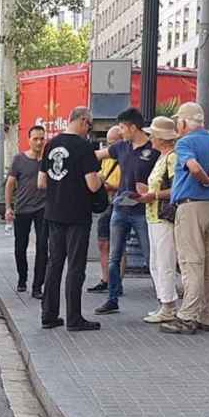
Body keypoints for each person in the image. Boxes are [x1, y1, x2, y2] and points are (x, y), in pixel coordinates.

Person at [161, 102, 209, 335]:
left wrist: (206, 180)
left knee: (191, 263)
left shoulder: (185, 143)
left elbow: (193, 167)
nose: (177, 125)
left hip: (191, 208)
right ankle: (208, 317)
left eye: (179, 121)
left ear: (184, 122)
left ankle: (187, 316)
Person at [38, 106, 103, 332]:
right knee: (75, 267)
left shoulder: (51, 144)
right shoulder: (84, 147)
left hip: (53, 213)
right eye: (90, 126)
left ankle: (49, 315)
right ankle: (74, 318)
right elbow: (92, 184)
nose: (89, 130)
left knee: (54, 264)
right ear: (84, 121)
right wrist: (102, 177)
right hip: (77, 214)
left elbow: (41, 182)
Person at [94, 108, 160, 316]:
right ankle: (112, 299)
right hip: (120, 208)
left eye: (122, 127)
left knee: (151, 257)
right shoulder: (121, 147)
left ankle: (163, 300)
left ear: (133, 127)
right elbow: (98, 154)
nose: (120, 132)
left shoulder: (154, 149)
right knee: (115, 256)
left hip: (143, 210)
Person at [138, 117, 180, 323]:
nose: (150, 138)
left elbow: (176, 189)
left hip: (163, 216)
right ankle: (164, 302)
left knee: (164, 261)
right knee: (156, 261)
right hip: (154, 215)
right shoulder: (163, 157)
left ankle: (169, 305)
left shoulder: (171, 158)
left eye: (153, 135)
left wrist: (153, 195)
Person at [5, 125, 48, 299]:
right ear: (29, 140)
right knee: (20, 247)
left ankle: (38, 286)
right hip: (22, 209)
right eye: (35, 139)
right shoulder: (19, 159)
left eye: (41, 139)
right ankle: (22, 278)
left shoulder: (48, 160)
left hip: (43, 209)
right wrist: (9, 207)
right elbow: (9, 184)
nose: (39, 142)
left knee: (43, 247)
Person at [87, 125, 123, 294]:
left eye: (113, 143)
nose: (109, 148)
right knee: (103, 242)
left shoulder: (126, 156)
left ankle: (117, 282)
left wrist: (109, 185)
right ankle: (105, 278)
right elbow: (102, 174)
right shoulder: (107, 157)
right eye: (108, 144)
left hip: (120, 201)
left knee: (118, 245)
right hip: (107, 203)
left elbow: (128, 182)